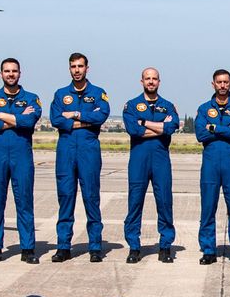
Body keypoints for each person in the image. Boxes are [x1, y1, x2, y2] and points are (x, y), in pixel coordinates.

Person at [0, 58, 42, 263]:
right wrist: (16, 118)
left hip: (21, 155)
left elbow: (29, 121)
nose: (11, 74)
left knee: (24, 201)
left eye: (14, 71)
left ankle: (27, 248)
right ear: (1, 74)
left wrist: (2, 116)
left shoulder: (32, 98)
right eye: (7, 71)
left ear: (20, 73)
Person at [52, 52, 110, 263]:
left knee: (91, 197)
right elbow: (56, 119)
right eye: (73, 66)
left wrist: (75, 115)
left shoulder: (98, 93)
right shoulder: (60, 94)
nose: (77, 70)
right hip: (66, 150)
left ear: (87, 68)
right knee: (66, 197)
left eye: (80, 66)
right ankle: (63, 246)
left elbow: (101, 115)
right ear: (69, 69)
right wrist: (85, 119)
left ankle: (95, 246)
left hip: (88, 150)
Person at [122, 67, 178, 262]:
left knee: (164, 201)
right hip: (139, 159)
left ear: (159, 82)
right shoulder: (131, 105)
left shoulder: (168, 106)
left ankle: (165, 245)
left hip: (161, 159)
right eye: (148, 78)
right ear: (142, 81)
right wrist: (160, 127)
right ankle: (134, 246)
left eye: (154, 79)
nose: (151, 82)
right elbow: (134, 130)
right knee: (135, 202)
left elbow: (172, 127)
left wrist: (144, 122)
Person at [194, 69, 230, 264]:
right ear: (213, 84)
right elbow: (200, 134)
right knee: (208, 207)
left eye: (226, 82)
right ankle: (209, 250)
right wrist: (227, 128)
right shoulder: (203, 109)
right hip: (210, 164)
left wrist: (214, 127)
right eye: (219, 82)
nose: (223, 85)